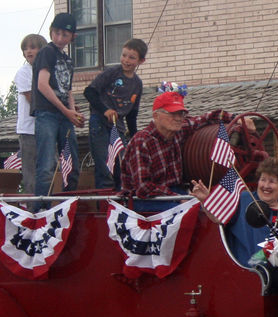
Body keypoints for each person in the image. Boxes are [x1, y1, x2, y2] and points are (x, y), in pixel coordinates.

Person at [121, 90, 239, 212]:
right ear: (156, 116)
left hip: (175, 191)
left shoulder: (180, 130)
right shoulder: (142, 141)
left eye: (181, 114)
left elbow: (207, 118)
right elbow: (143, 188)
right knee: (193, 213)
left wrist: (236, 119)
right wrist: (178, 198)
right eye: (172, 114)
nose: (178, 119)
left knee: (217, 208)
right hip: (143, 200)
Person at [191, 157, 278, 269]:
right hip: (252, 275)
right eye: (263, 179)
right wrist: (207, 201)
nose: (266, 186)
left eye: (272, 181)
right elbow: (219, 217)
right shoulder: (244, 200)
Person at [31, 13, 83, 211]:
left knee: (72, 164)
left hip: (63, 116)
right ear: (51, 32)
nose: (60, 38)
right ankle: (39, 212)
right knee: (46, 165)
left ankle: (67, 208)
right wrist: (65, 111)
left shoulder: (68, 60)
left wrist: (72, 112)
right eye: (57, 33)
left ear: (72, 37)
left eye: (65, 35)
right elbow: (43, 85)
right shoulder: (47, 52)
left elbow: (67, 90)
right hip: (47, 114)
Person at [84, 38, 147, 190]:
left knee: (122, 165)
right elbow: (89, 92)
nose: (126, 60)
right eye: (124, 55)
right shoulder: (112, 73)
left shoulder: (137, 84)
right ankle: (104, 204)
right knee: (105, 165)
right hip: (99, 122)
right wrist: (105, 110)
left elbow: (132, 115)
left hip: (118, 128)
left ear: (141, 61)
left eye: (131, 57)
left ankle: (120, 202)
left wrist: (134, 137)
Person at [14, 34, 47, 198]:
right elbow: (32, 99)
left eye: (33, 47)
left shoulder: (46, 71)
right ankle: (33, 210)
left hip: (47, 128)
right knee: (31, 172)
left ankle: (48, 206)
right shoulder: (24, 72)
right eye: (25, 48)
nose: (28, 51)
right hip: (29, 129)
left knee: (49, 169)